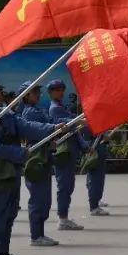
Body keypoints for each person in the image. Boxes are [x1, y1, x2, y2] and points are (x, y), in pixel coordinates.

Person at [0, 78, 58, 255]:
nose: (0, 95)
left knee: (10, 212)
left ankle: (4, 252)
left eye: (0, 91)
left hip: (12, 168)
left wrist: (52, 128)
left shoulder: (5, 114)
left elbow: (25, 126)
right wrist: (20, 154)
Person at [18, 83, 58, 246]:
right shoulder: (30, 112)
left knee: (44, 198)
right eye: (34, 92)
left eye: (38, 91)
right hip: (36, 159)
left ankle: (40, 233)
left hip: (44, 156)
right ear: (25, 96)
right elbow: (37, 130)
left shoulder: (37, 110)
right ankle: (36, 235)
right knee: (38, 197)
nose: (38, 94)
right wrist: (53, 129)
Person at [47, 80, 87, 231]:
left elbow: (74, 128)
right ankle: (62, 219)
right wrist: (80, 121)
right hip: (63, 153)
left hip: (70, 151)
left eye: (62, 89)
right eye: (57, 90)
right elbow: (70, 123)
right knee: (64, 185)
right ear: (50, 93)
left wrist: (83, 146)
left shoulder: (61, 107)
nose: (60, 92)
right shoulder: (55, 109)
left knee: (68, 185)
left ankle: (64, 216)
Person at [83, 124, 110, 216]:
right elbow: (88, 135)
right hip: (95, 153)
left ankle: (96, 203)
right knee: (95, 181)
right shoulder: (89, 123)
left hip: (99, 152)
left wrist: (105, 138)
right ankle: (94, 206)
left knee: (97, 180)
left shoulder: (92, 122)